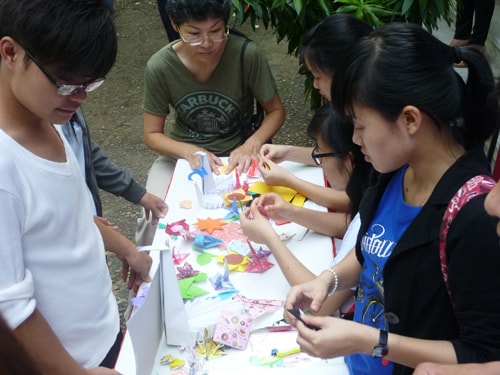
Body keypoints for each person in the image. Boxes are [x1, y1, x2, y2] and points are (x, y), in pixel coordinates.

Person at [284, 22, 500, 375]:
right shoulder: (395, 167)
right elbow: (375, 248)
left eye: (360, 124)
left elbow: (483, 355)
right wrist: (328, 280)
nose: (354, 139)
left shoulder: (476, 215)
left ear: (410, 119)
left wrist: (370, 341)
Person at [0, 1, 151, 373]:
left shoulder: (47, 113)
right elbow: (9, 303)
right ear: (10, 52)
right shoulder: (5, 167)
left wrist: (125, 247)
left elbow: (67, 214)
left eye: (91, 83)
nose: (80, 97)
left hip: (100, 331)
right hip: (68, 360)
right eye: (67, 81)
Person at [135, 0, 285, 246]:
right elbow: (152, 134)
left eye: (216, 31)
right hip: (181, 158)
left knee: (261, 218)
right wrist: (188, 151)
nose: (206, 43)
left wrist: (253, 143)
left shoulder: (247, 54)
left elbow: (276, 111)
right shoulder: (160, 66)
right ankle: (152, 278)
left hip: (238, 156)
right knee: (153, 218)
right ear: (175, 25)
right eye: (193, 34)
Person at [240, 103, 373, 316]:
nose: (318, 160)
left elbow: (320, 304)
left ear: (349, 159)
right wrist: (289, 211)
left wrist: (270, 238)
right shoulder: (375, 193)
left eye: (320, 155)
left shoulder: (374, 214)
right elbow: (348, 225)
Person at [257, 14, 373, 213]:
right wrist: (288, 153)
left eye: (318, 76)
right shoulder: (353, 112)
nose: (316, 85)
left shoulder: (373, 121)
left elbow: (357, 202)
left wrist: (288, 181)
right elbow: (332, 152)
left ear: (345, 73)